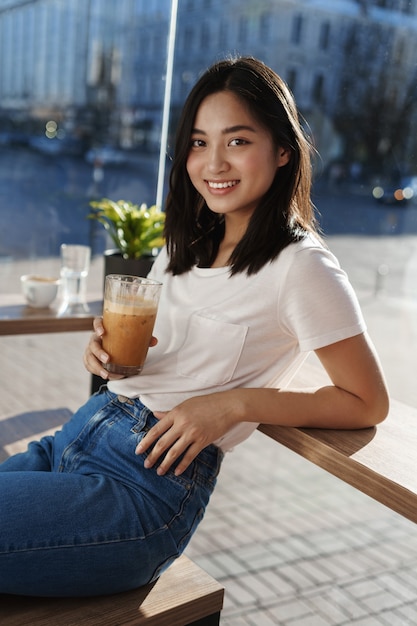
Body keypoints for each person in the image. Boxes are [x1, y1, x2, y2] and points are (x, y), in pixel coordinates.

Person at [0, 56, 389, 597]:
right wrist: (105, 353)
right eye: (200, 143)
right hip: (79, 435)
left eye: (237, 140)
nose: (213, 162)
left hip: (140, 490)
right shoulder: (187, 245)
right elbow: (157, 352)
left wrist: (234, 404)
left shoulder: (301, 266)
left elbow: (366, 401)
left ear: (282, 149)